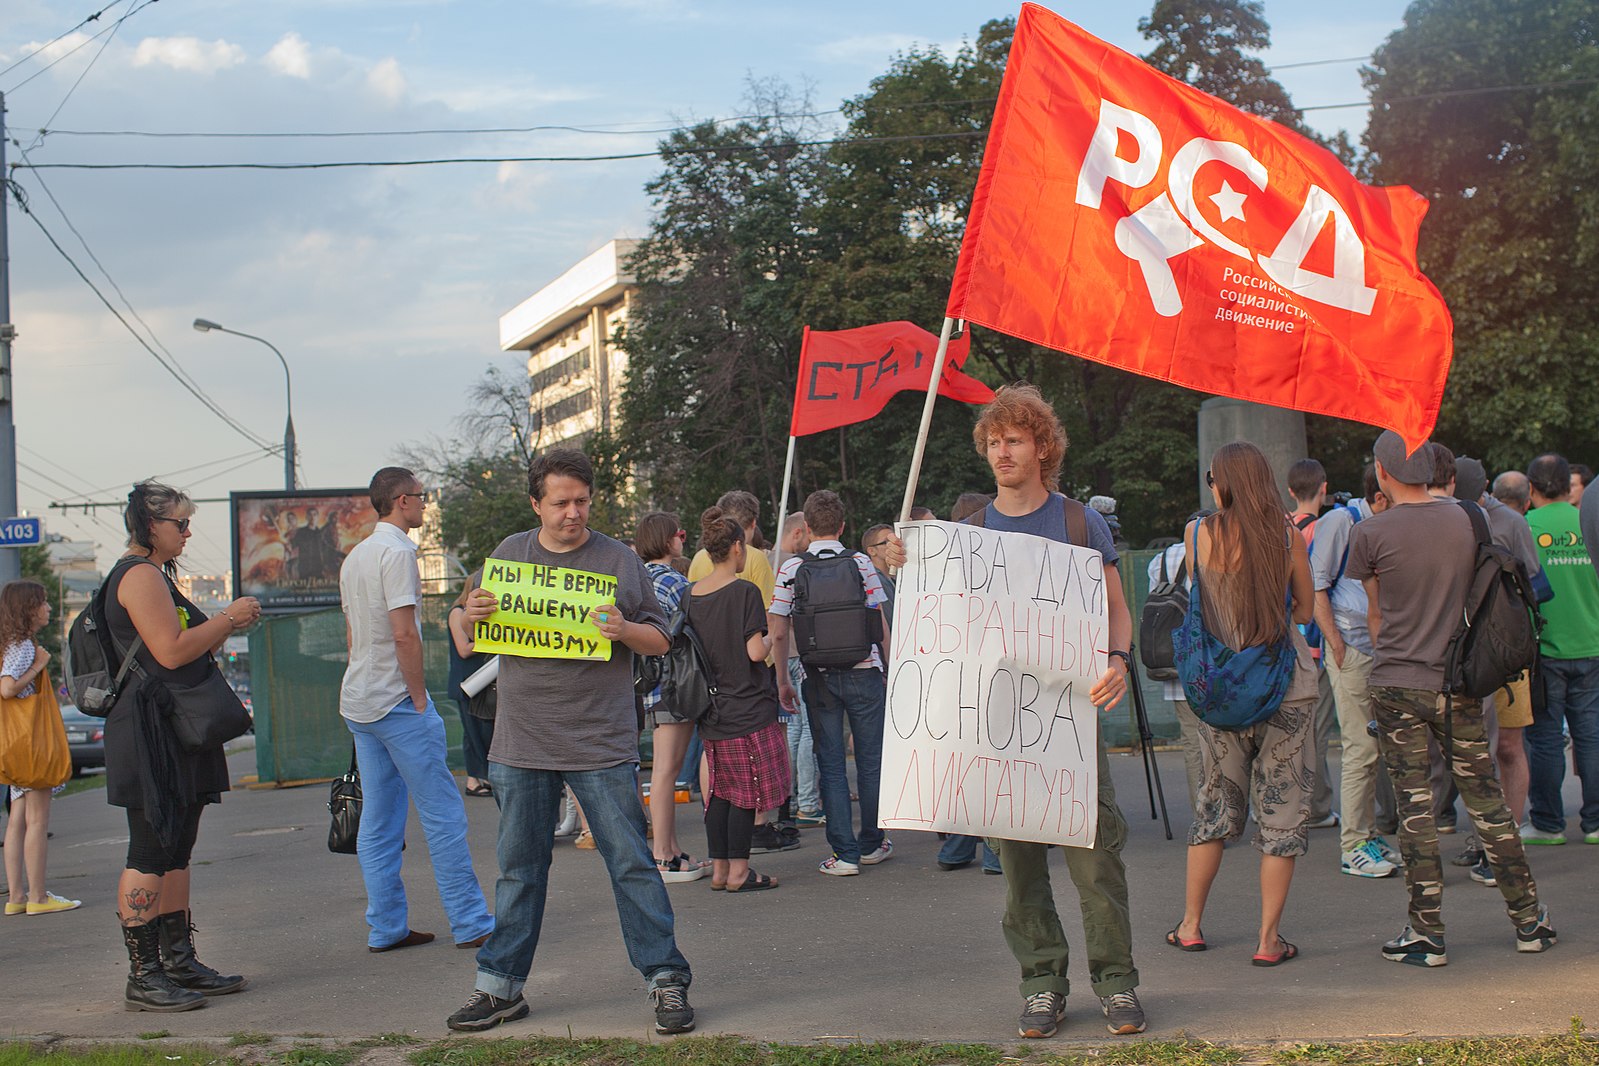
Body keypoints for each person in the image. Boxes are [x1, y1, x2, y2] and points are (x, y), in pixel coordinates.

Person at [884, 383, 1144, 1038]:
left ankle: (1115, 983)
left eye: (1015, 439)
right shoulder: (966, 536)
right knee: (1018, 869)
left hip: (1069, 725)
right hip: (997, 731)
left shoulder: (1080, 522)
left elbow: (1115, 605)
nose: (1002, 451)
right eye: (994, 441)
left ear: (1042, 446)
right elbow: (929, 606)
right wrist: (897, 557)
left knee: (1095, 862)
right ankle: (1040, 984)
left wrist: (1116, 658)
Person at [448, 448, 693, 1036]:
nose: (573, 513)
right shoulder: (510, 553)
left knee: (633, 865)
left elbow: (661, 640)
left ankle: (666, 981)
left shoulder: (618, 559)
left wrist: (624, 629)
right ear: (536, 504)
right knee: (519, 871)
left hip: (601, 742)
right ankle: (498, 988)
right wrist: (469, 613)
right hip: (520, 742)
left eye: (582, 501)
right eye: (560, 503)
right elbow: (463, 633)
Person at [1348, 431, 1555, 967]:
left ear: (1383, 472)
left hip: (1397, 682)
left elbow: (1374, 618)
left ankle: (1427, 933)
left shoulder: (1369, 532)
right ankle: (1530, 921)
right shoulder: (1471, 520)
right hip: (1459, 681)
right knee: (1487, 800)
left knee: (1415, 809)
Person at [106, 481, 258, 1011]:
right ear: (152, 526)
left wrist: (217, 628)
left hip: (173, 727)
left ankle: (177, 961)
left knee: (177, 845)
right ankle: (144, 974)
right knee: (150, 848)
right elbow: (170, 652)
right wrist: (228, 620)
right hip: (151, 731)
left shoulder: (155, 575)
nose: (188, 532)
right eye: (180, 523)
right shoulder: (140, 575)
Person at [1170, 442, 1319, 968]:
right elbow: (1303, 608)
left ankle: (1190, 926)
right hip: (1287, 687)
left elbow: (1201, 599)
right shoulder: (1287, 536)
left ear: (1223, 482)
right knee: (1281, 814)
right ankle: (1267, 940)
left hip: (1222, 691)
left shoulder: (1196, 533)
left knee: (1214, 807)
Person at [339, 468, 494, 955]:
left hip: (360, 700)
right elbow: (404, 632)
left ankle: (385, 927)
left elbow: (353, 635)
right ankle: (471, 922)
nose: (425, 506)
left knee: (379, 820)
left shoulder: (356, 556)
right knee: (443, 815)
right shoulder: (400, 552)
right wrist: (420, 697)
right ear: (402, 501)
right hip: (398, 702)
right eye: (422, 499)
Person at [770, 490, 891, 877]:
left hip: (817, 676)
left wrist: (781, 680)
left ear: (805, 529)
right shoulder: (859, 563)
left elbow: (777, 630)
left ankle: (845, 855)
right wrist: (891, 666)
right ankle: (872, 843)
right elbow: (879, 620)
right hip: (865, 671)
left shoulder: (791, 569)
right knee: (871, 763)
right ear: (842, 526)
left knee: (832, 765)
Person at [689, 507, 791, 891]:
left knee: (719, 791)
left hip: (710, 707)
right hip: (747, 703)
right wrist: (773, 633)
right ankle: (739, 872)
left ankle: (719, 870)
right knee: (746, 792)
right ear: (736, 548)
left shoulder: (691, 595)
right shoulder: (745, 592)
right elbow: (753, 652)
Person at [1309, 465, 1401, 879]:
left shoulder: (1374, 523)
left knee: (1374, 749)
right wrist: (1337, 644)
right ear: (1380, 497)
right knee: (1360, 750)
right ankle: (1352, 846)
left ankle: (1365, 835)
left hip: (1380, 650)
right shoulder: (1341, 521)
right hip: (1354, 650)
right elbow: (1315, 583)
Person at [1522, 453, 1599, 847]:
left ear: (1530, 489)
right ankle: (1595, 822)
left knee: (1546, 740)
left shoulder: (1525, 528)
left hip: (1546, 650)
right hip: (1592, 643)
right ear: (1570, 488)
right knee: (1591, 736)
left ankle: (1548, 823)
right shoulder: (1588, 521)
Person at [635, 511, 707, 882]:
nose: (683, 538)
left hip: (652, 684)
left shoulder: (637, 579)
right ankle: (664, 855)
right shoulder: (674, 582)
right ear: (667, 540)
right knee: (666, 771)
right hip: (676, 684)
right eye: (679, 533)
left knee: (664, 770)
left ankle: (672, 850)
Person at [1, 580, 78, 916]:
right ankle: (38, 896)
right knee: (36, 821)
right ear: (28, 608)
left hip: (17, 745)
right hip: (33, 746)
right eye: (43, 602)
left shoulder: (8, 644)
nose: (48, 608)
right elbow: (6, 689)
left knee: (17, 820)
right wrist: (39, 664)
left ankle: (17, 897)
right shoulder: (25, 648)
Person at [1286, 459, 1340, 832]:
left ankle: (1286, 801)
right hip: (1320, 642)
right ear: (1324, 487)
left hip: (1287, 642)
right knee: (1318, 731)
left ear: (1290, 491)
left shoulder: (1280, 529)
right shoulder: (1330, 528)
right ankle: (1318, 805)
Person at [776, 512, 821, 826]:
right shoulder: (794, 563)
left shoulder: (762, 558)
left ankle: (789, 799)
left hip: (782, 655)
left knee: (794, 730)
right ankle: (807, 802)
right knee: (807, 731)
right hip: (799, 651)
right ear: (797, 532)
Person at [446, 571, 497, 798]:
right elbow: (464, 649)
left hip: (480, 681)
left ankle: (474, 779)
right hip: (467, 682)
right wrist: (497, 639)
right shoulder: (457, 613)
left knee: (474, 733)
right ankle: (477, 778)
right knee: (475, 732)